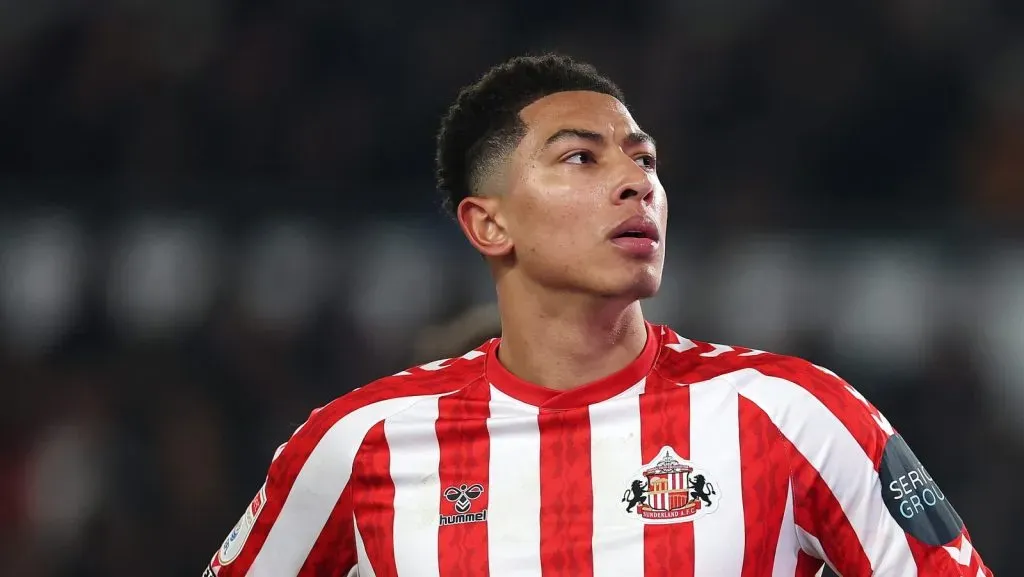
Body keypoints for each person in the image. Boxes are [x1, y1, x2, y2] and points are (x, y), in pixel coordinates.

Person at [204, 54, 992, 576]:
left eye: (644, 159)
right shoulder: (360, 445)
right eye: (583, 157)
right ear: (489, 224)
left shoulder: (792, 415)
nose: (635, 182)